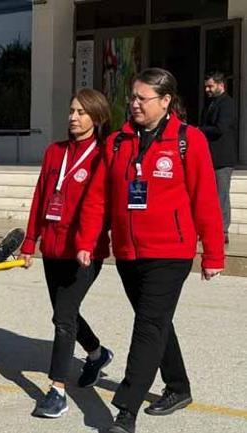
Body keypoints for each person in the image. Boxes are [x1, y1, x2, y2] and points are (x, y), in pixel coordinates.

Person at [76, 68, 225, 433]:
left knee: (147, 326)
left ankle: (125, 413)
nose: (134, 103)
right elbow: (98, 198)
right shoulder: (116, 142)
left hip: (171, 252)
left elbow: (205, 199)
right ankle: (179, 387)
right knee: (156, 322)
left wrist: (214, 254)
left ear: (165, 101)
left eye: (143, 98)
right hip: (129, 253)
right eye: (133, 97)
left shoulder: (188, 141)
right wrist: (87, 240)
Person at [20, 88, 115, 419]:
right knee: (65, 314)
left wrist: (88, 242)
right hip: (53, 248)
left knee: (63, 318)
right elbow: (40, 197)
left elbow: (102, 207)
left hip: (84, 252)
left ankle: (57, 390)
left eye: (81, 112)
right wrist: (30, 241)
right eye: (72, 111)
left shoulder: (103, 155)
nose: (73, 117)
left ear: (97, 117)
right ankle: (97, 353)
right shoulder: (54, 152)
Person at [200, 71, 238, 244]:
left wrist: (201, 129)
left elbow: (221, 127)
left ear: (220, 85)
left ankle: (222, 230)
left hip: (223, 158)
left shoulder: (227, 104)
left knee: (221, 195)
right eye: (206, 86)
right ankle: (210, 228)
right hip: (211, 157)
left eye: (210, 86)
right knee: (211, 194)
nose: (207, 89)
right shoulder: (211, 104)